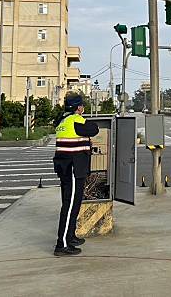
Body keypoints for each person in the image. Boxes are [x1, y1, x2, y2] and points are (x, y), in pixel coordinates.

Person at [53, 94, 99, 256]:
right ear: (78, 107)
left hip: (66, 167)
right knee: (70, 205)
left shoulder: (61, 120)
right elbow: (94, 129)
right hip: (73, 168)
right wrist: (81, 116)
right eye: (81, 106)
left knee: (74, 203)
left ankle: (70, 236)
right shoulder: (75, 120)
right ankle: (62, 244)